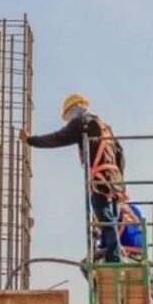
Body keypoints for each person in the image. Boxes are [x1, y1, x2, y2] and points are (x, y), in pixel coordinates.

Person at [21, 94, 127, 262]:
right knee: (110, 220)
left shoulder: (81, 123)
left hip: (101, 179)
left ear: (74, 109)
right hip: (114, 180)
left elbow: (58, 138)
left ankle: (114, 259)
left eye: (69, 115)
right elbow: (120, 155)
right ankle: (111, 254)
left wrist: (31, 140)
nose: (69, 119)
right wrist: (121, 185)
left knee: (104, 216)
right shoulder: (105, 127)